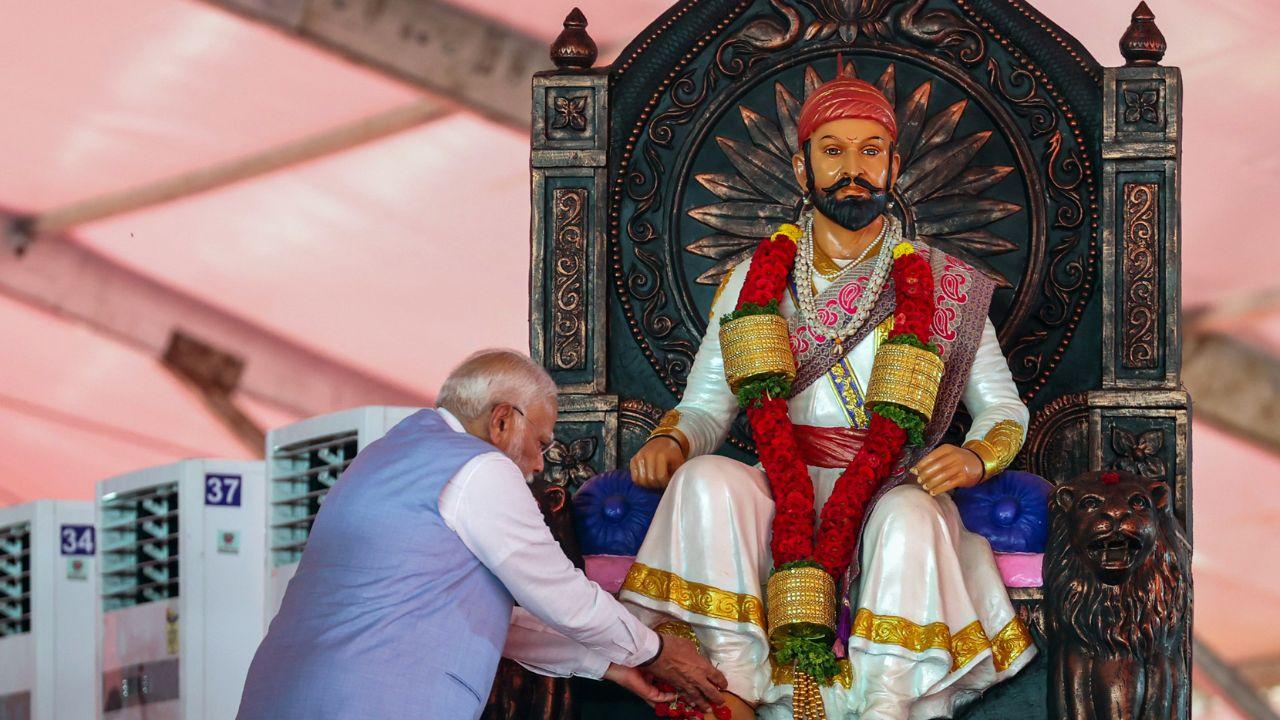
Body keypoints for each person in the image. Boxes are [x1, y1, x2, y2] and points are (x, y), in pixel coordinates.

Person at [619, 75, 1035, 719]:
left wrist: (976, 458)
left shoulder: (948, 286)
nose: (853, 170)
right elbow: (706, 406)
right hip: (780, 490)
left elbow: (1003, 408)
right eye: (833, 150)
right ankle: (735, 686)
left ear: (894, 165)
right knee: (705, 479)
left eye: (871, 151)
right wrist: (674, 439)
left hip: (891, 484)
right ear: (802, 163)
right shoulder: (751, 282)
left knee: (909, 516)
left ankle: (885, 701)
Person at [237, 350, 727, 719]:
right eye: (539, 443)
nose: (538, 466)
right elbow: (560, 594)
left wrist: (610, 664)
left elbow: (489, 619)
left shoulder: (386, 457)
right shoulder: (479, 468)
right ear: (500, 421)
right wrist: (655, 650)